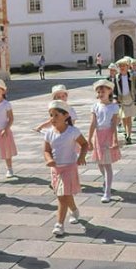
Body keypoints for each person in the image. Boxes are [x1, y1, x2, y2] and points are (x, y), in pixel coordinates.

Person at [44, 99, 88, 236]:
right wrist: (49, 160)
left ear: (66, 116)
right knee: (65, 194)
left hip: (69, 167)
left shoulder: (73, 131)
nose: (53, 118)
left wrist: (81, 157)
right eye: (51, 115)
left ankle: (59, 224)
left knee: (62, 196)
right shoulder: (49, 133)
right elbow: (46, 150)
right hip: (56, 169)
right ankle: (74, 210)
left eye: (56, 115)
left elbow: (85, 144)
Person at [88, 80, 120, 203]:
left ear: (110, 91)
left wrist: (115, 140)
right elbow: (93, 123)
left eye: (103, 91)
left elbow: (114, 125)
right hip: (98, 136)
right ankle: (106, 180)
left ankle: (107, 191)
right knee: (100, 162)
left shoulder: (114, 107)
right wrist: (89, 139)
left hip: (108, 135)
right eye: (99, 91)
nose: (101, 93)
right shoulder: (95, 106)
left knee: (107, 164)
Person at [112, 57, 136, 144]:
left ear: (128, 67)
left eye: (124, 66)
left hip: (130, 99)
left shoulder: (132, 76)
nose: (122, 67)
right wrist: (115, 98)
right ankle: (125, 131)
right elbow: (115, 90)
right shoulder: (116, 78)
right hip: (121, 100)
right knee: (124, 118)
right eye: (120, 66)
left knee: (129, 119)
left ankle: (129, 135)